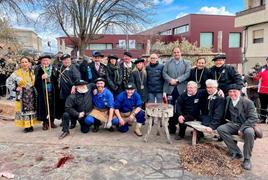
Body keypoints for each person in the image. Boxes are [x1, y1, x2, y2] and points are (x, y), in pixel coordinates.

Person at [217, 84, 258, 170]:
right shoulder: (228, 99)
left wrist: (242, 128)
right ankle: (236, 151)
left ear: (239, 92)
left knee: (250, 132)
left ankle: (247, 159)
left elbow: (253, 117)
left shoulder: (248, 102)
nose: (232, 94)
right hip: (233, 124)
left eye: (234, 91)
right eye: (230, 92)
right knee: (221, 129)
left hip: (246, 125)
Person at [162, 47, 191, 133]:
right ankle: (171, 127)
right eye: (174, 52)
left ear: (181, 53)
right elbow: (164, 73)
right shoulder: (168, 62)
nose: (176, 54)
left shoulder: (187, 63)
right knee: (170, 108)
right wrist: (170, 80)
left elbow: (187, 74)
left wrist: (177, 80)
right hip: (170, 88)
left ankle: (182, 128)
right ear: (172, 53)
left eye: (178, 52)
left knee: (181, 108)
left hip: (181, 88)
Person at [7, 57, 39, 133]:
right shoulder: (16, 73)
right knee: (23, 110)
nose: (24, 64)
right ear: (20, 63)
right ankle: (26, 126)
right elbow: (8, 81)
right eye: (23, 62)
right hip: (22, 94)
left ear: (29, 63)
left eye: (26, 62)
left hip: (31, 94)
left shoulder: (33, 72)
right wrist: (15, 88)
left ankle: (31, 125)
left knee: (31, 110)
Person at [35, 55, 60, 130]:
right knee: (44, 107)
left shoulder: (53, 69)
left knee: (52, 106)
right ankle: (45, 122)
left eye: (47, 60)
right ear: (41, 62)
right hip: (42, 91)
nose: (45, 62)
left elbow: (57, 79)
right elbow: (34, 80)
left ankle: (51, 121)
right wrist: (41, 78)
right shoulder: (38, 69)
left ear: (50, 61)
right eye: (44, 60)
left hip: (52, 91)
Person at [58, 54, 81, 127]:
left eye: (67, 59)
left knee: (71, 107)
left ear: (70, 60)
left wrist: (74, 86)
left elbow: (78, 79)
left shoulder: (74, 68)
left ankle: (73, 122)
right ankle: (65, 121)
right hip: (62, 91)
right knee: (63, 107)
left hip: (71, 91)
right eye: (64, 60)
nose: (66, 61)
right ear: (62, 61)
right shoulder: (61, 68)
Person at [255, 57, 268, 123]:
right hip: (262, 90)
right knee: (263, 105)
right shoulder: (262, 68)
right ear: (266, 61)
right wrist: (255, 76)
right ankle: (263, 118)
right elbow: (257, 77)